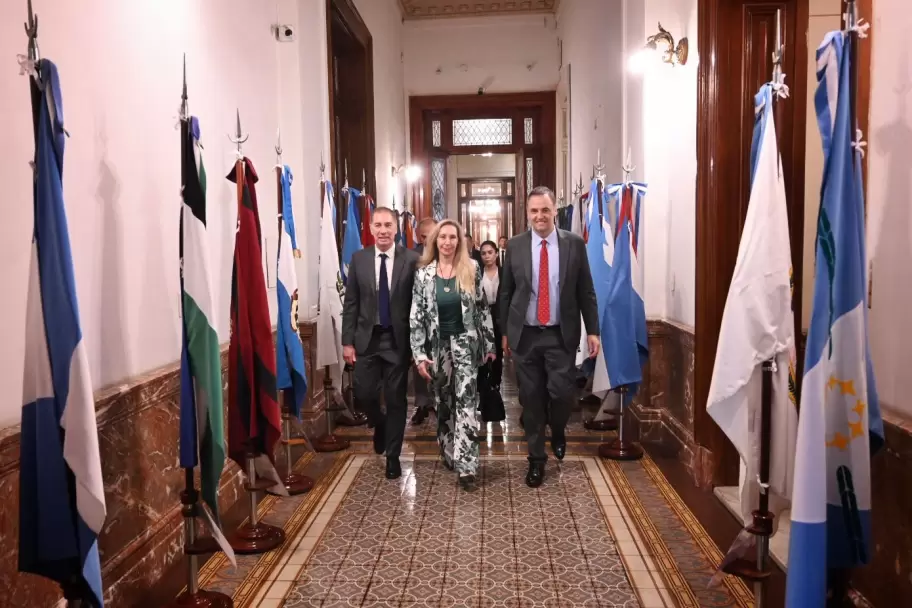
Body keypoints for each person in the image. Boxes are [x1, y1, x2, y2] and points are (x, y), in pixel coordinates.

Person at [499, 186, 600, 488]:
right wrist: (504, 333)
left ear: (555, 210)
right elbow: (505, 292)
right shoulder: (516, 246)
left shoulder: (574, 244)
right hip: (526, 335)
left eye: (545, 210)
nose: (540, 216)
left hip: (560, 334)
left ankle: (557, 430)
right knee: (531, 400)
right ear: (527, 213)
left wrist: (593, 330)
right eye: (534, 211)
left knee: (562, 395)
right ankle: (536, 459)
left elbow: (586, 290)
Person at [410, 220, 495, 491]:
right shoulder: (424, 274)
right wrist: (419, 354)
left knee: (467, 402)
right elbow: (417, 316)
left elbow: (482, 308)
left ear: (460, 241)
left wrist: (490, 344)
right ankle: (448, 449)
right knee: (444, 401)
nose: (448, 242)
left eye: (453, 237)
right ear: (435, 241)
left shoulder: (472, 268)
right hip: (438, 348)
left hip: (466, 345)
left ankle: (467, 466)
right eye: (443, 237)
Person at [342, 207, 419, 480]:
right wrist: (347, 342)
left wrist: (418, 344)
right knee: (364, 393)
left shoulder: (412, 259)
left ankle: (393, 457)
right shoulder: (359, 259)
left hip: (397, 341)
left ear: (396, 228)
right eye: (378, 225)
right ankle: (380, 422)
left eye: (388, 225)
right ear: (371, 228)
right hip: (367, 339)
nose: (383, 230)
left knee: (396, 398)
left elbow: (418, 304)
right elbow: (351, 303)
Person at [411, 217, 438, 425]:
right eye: (423, 236)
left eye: (431, 236)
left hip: (443, 321)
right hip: (419, 319)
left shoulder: (448, 252)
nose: (427, 240)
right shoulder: (412, 257)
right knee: (419, 362)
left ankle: (439, 402)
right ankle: (421, 404)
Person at [479, 240, 503, 390]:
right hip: (483, 314)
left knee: (498, 350)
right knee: (483, 348)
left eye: (490, 252)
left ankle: (496, 383)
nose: (487, 256)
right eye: (483, 253)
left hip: (499, 314)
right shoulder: (478, 273)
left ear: (496, 254)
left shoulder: (504, 272)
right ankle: (483, 385)